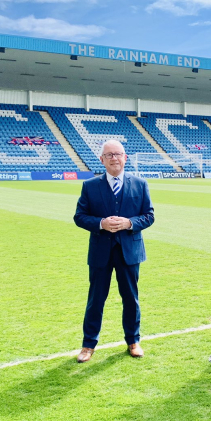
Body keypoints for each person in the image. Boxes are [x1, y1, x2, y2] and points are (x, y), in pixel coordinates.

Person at [74, 140, 155, 362]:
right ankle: (88, 345)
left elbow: (149, 216)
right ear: (102, 160)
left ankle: (133, 340)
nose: (114, 158)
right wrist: (101, 223)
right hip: (101, 251)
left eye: (118, 154)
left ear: (125, 158)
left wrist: (129, 223)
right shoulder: (90, 186)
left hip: (129, 251)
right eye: (109, 155)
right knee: (96, 299)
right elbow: (79, 217)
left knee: (130, 298)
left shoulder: (139, 184)